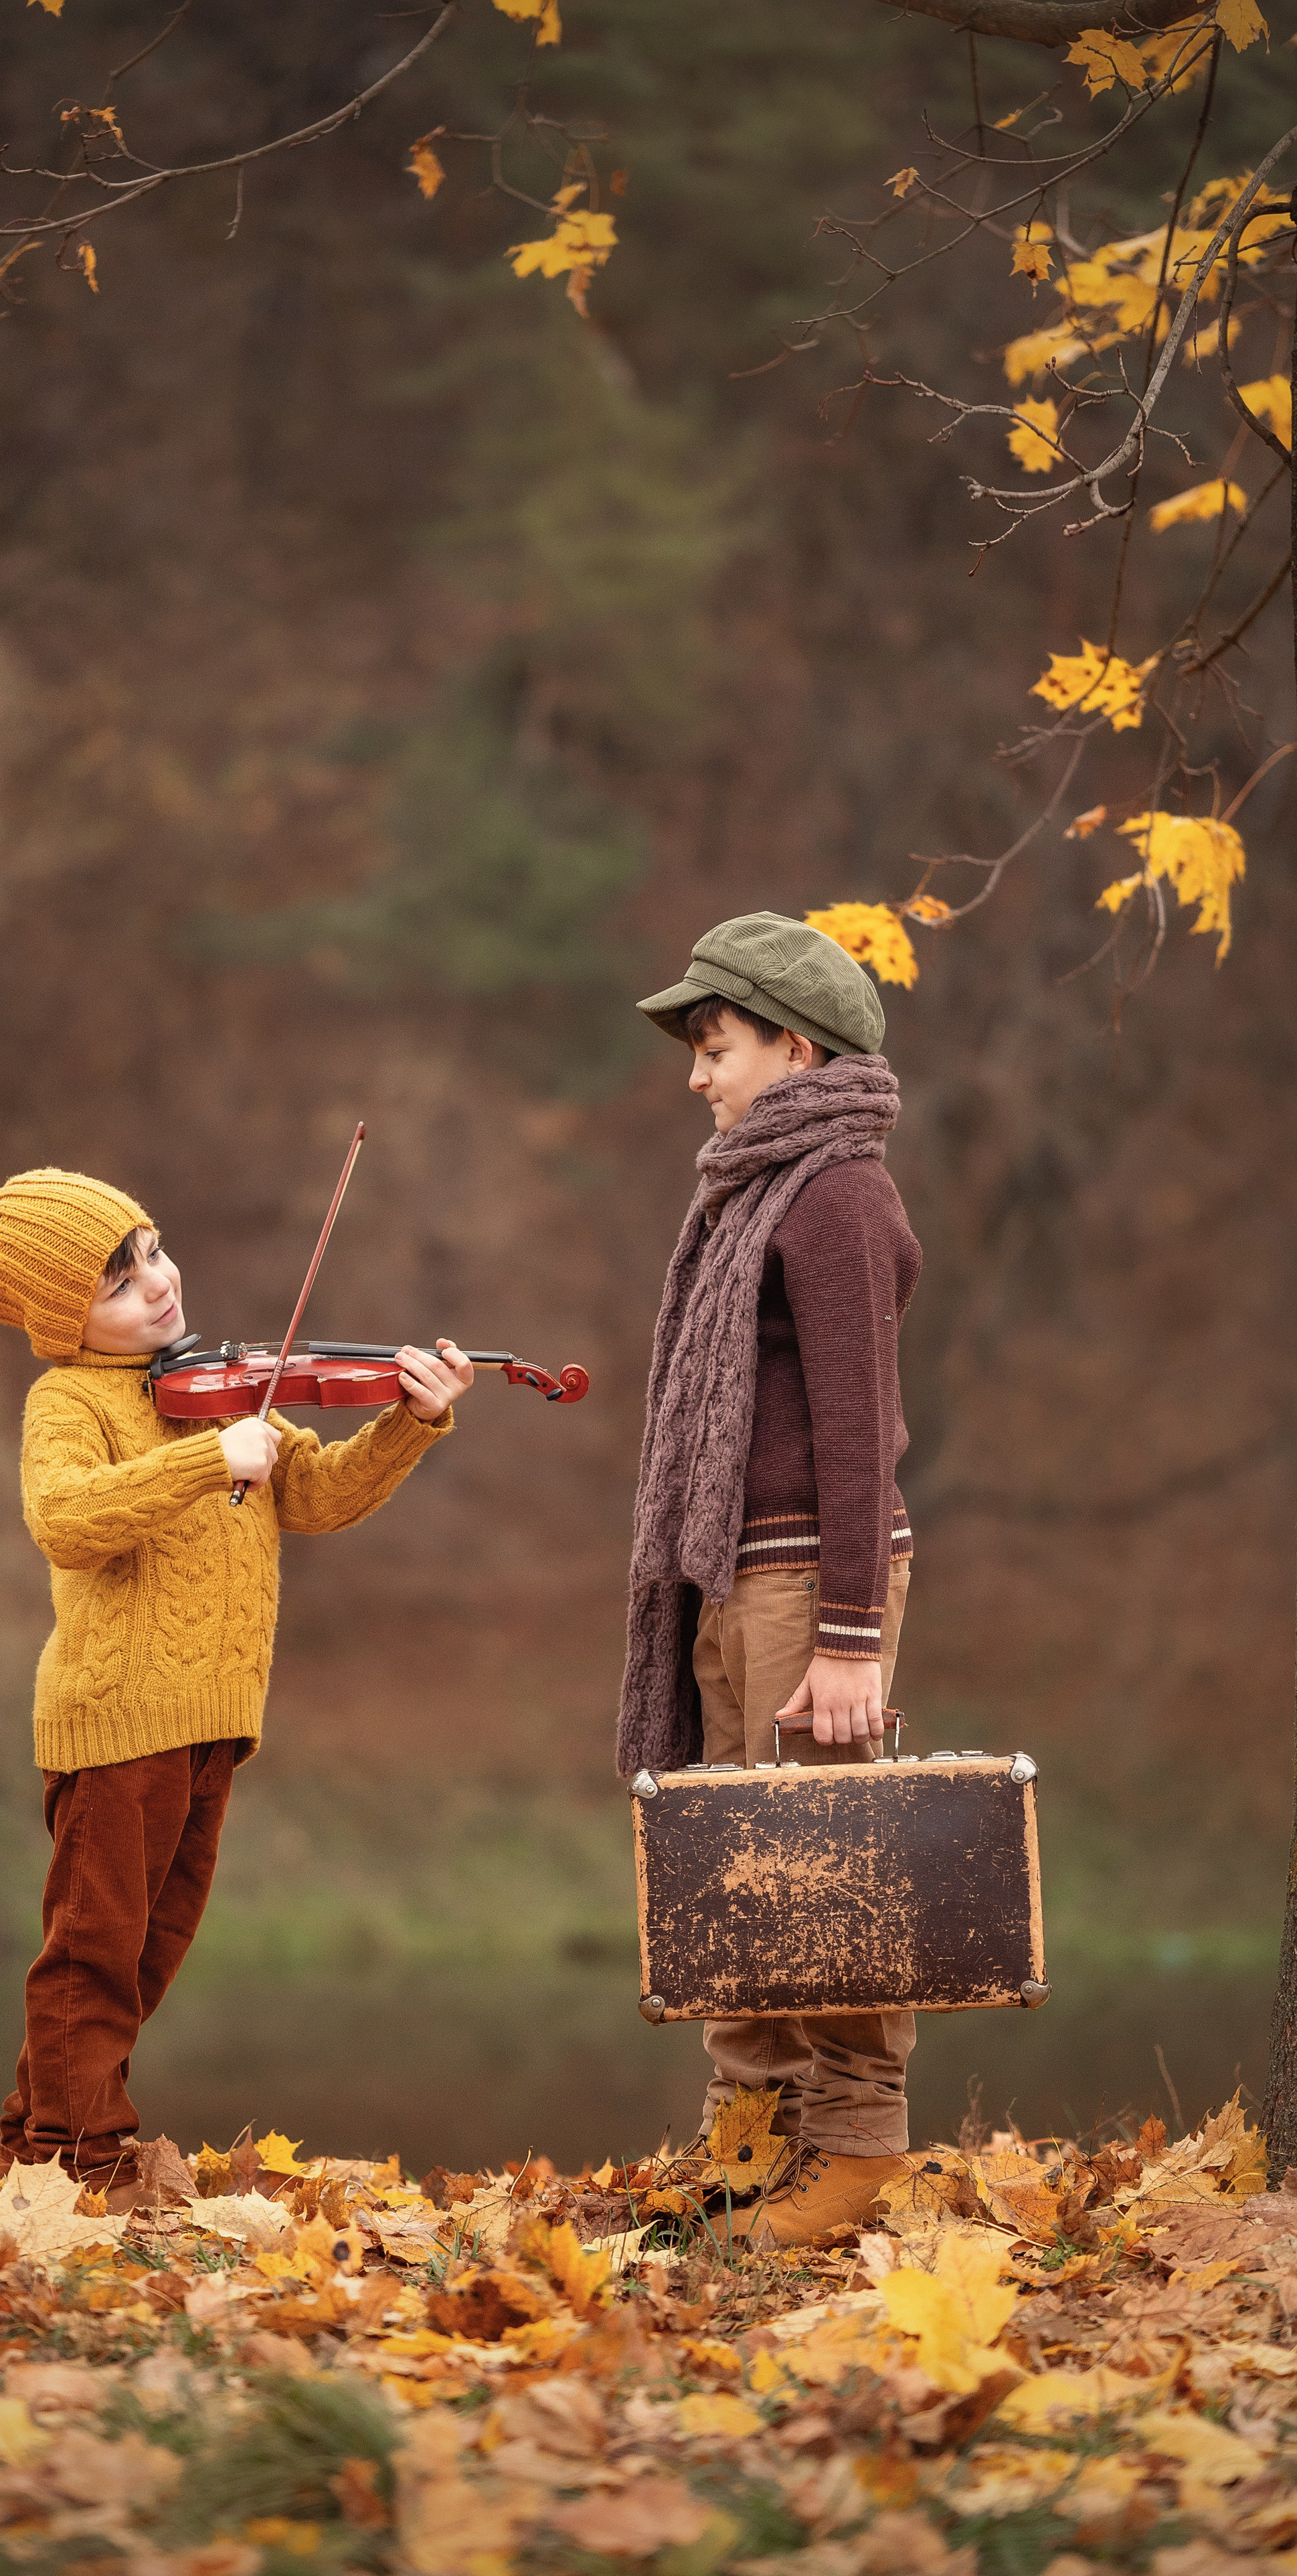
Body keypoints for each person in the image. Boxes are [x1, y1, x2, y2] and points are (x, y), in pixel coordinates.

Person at [0, 1166, 473, 2207]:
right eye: (119, 1282)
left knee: (147, 1955)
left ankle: (34, 2149)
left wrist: (407, 1426)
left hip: (212, 1724)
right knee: (94, 1954)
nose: (156, 1282)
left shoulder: (224, 1387)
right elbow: (65, 1517)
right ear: (70, 1319)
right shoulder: (68, 1401)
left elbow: (320, 1495)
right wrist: (206, 1463)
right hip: (118, 1724)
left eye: (152, 1250)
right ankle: (83, 2162)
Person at [620, 913, 922, 2245]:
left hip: (811, 1575)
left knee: (819, 1864)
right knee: (735, 1863)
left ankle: (855, 2149)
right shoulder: (748, 1190)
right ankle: (750, 2139)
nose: (696, 1072)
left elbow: (858, 1424)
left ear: (790, 1045)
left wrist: (850, 1636)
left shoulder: (839, 1192)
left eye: (714, 1040)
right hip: (731, 1571)